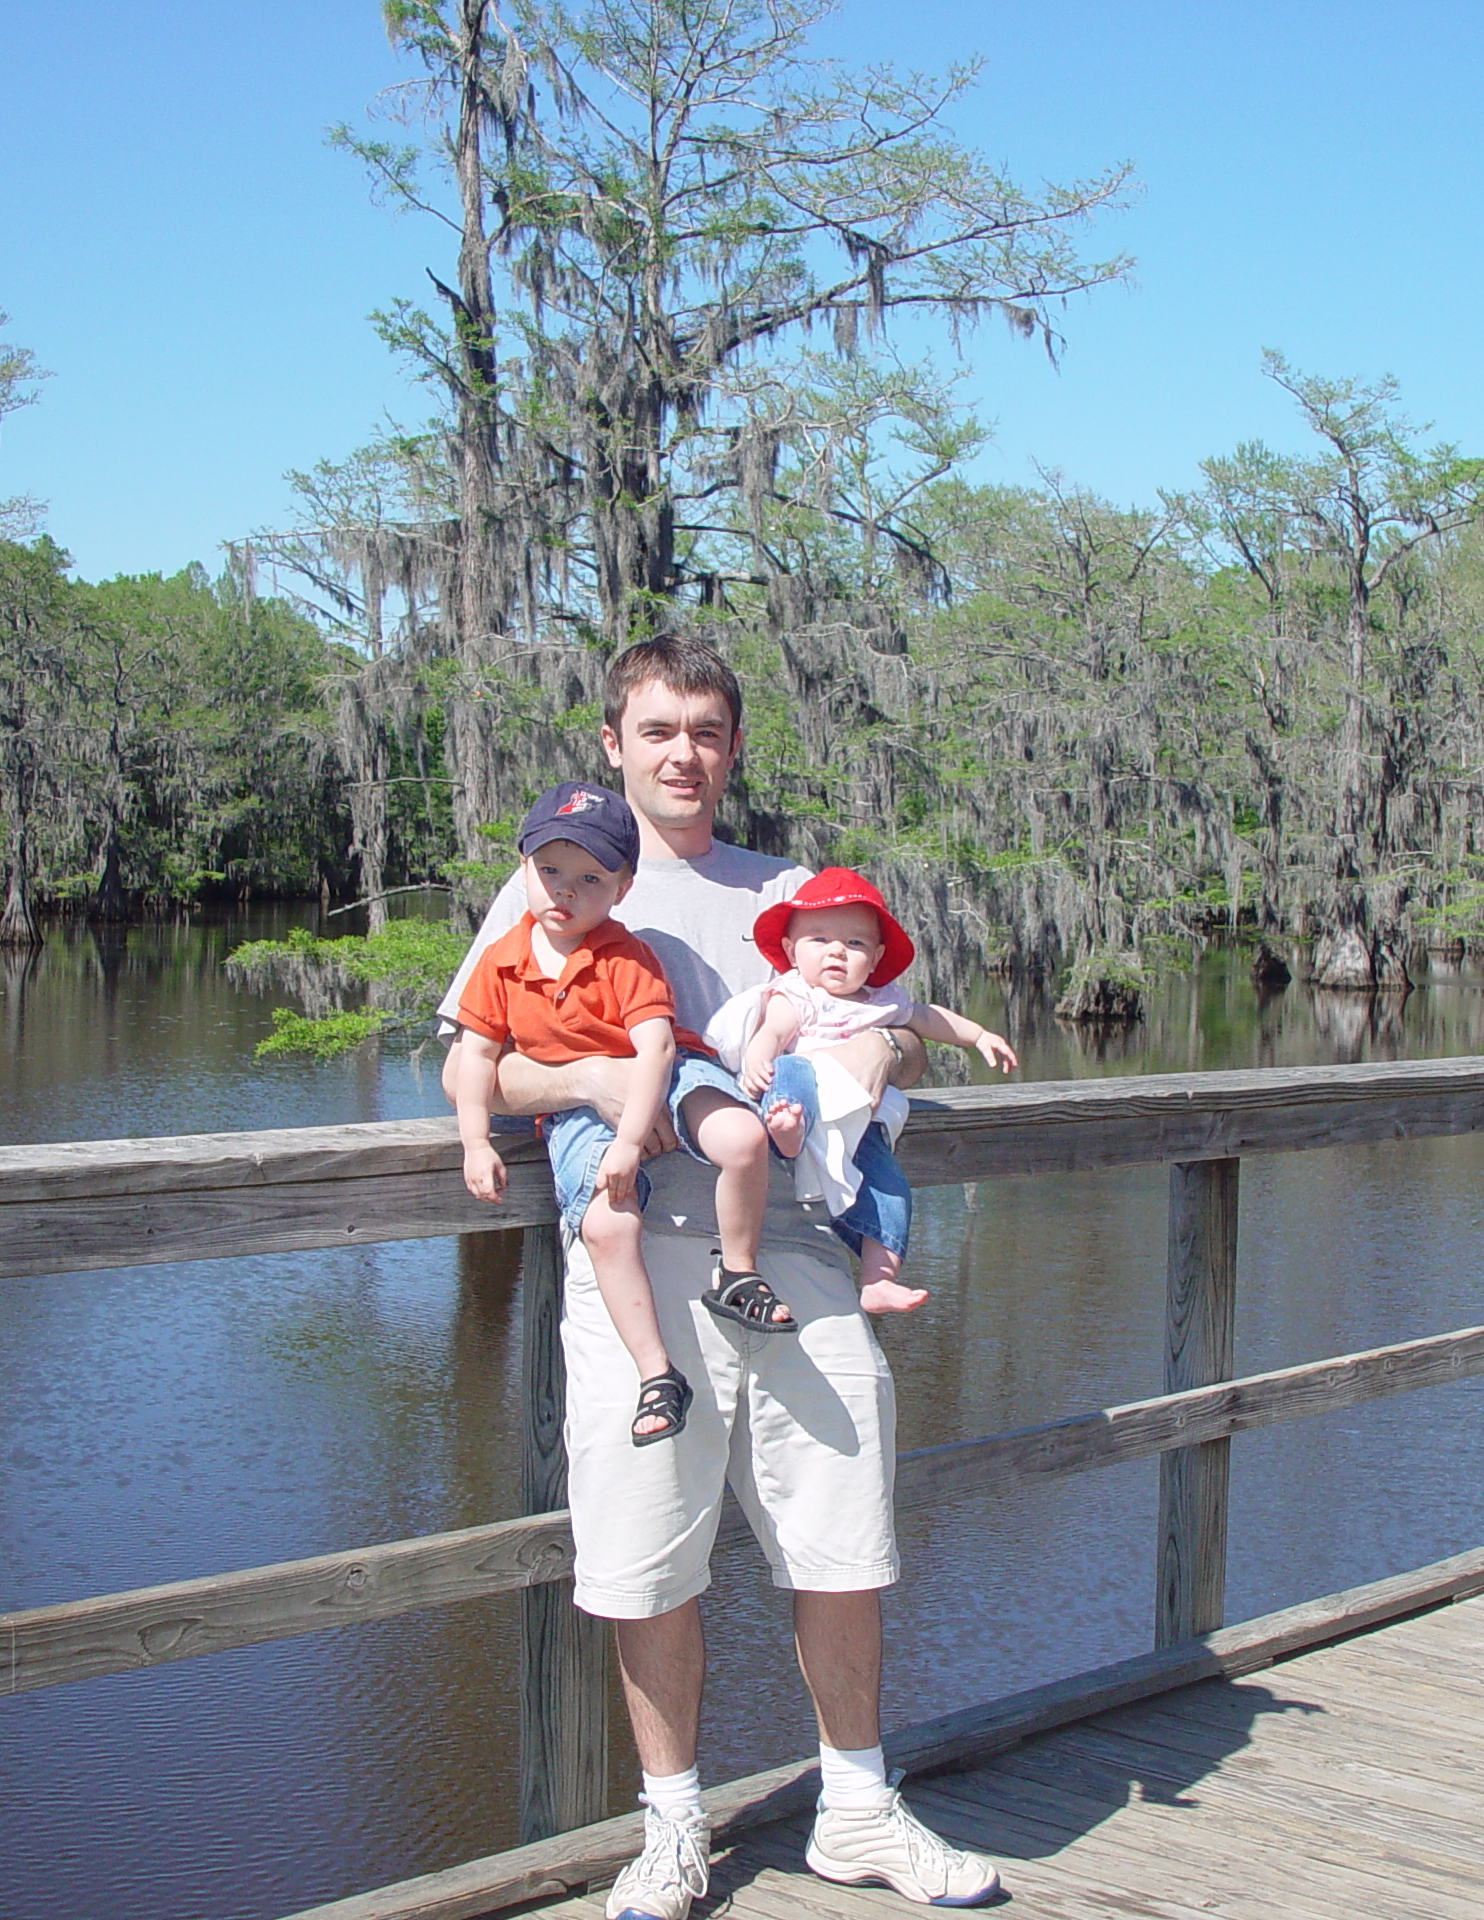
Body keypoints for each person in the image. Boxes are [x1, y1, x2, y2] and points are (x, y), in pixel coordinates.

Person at [439, 638, 1004, 1918]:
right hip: (634, 1265)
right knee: (647, 1560)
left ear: (732, 747)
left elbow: (896, 1050)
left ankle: (858, 1811)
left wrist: (864, 1070)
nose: (682, 751)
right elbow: (480, 1064)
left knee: (844, 1541)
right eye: (656, 730)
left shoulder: (799, 893)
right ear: (613, 745)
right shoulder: (549, 890)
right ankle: (672, 1827)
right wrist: (593, 1082)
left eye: (704, 730)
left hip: (796, 1257)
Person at [450, 781, 799, 1448]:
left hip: (667, 1076)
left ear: (622, 887)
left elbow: (658, 1048)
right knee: (608, 1224)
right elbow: (475, 1059)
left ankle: (738, 1269)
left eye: (589, 877)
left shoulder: (625, 954)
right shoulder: (500, 964)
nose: (564, 890)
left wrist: (632, 1139)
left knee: (741, 1135)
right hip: (577, 1110)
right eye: (548, 870)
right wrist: (474, 1143)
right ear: (522, 866)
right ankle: (657, 1372)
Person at [730, 868, 1019, 1314]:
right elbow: (772, 1032)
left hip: (858, 1119)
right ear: (790, 949)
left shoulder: (883, 1001)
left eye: (855, 943)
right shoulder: (797, 994)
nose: (836, 953)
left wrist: (978, 1036)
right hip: (803, 1099)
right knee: (791, 1069)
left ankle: (879, 1278)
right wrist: (756, 1058)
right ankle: (788, 1125)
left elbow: (929, 1018)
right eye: (819, 939)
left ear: (877, 955)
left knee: (889, 1186)